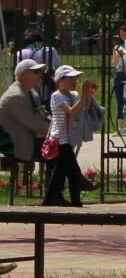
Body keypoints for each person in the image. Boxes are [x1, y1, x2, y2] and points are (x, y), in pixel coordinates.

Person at [43, 65, 93, 207]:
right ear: (60, 80)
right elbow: (71, 112)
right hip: (59, 140)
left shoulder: (72, 95)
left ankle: (52, 199)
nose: (74, 81)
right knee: (73, 171)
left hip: (68, 139)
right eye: (71, 78)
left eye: (75, 78)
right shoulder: (56, 96)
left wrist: (88, 94)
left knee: (62, 172)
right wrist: (83, 95)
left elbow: (82, 109)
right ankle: (78, 195)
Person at [0, 58, 51, 188]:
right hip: (15, 145)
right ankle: (55, 190)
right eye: (36, 71)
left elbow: (42, 117)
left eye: (41, 71)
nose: (40, 74)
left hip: (29, 140)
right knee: (58, 152)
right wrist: (58, 130)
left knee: (61, 149)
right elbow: (34, 124)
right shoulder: (15, 96)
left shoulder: (31, 92)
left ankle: (55, 190)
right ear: (23, 75)